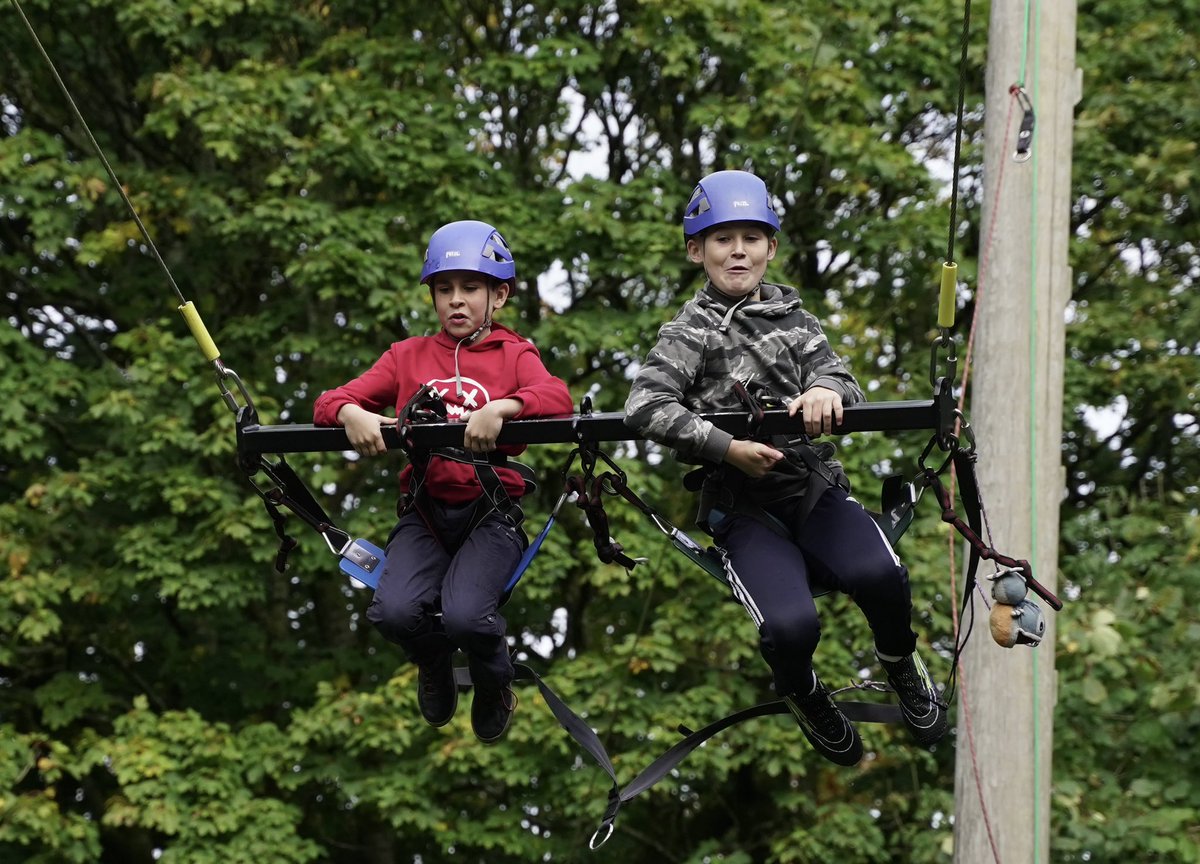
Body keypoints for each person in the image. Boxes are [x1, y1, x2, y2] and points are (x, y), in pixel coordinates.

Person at [624, 170, 947, 766]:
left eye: (751, 238)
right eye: (723, 239)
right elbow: (645, 405)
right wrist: (725, 447)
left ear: (770, 247)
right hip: (744, 508)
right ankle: (803, 689)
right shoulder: (688, 333)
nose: (738, 251)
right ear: (697, 251)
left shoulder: (796, 321)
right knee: (792, 626)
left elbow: (841, 379)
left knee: (881, 574)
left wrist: (825, 391)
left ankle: (899, 660)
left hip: (811, 489)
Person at [314, 220, 573, 743]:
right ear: (432, 296)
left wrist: (504, 407)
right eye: (444, 289)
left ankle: (494, 681)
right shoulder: (406, 356)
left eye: (471, 288)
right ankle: (433, 661)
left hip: (490, 513)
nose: (456, 300)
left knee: (467, 618)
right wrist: (350, 413)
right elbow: (328, 401)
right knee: (392, 613)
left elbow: (557, 398)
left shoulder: (514, 354)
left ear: (498, 296)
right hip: (426, 512)